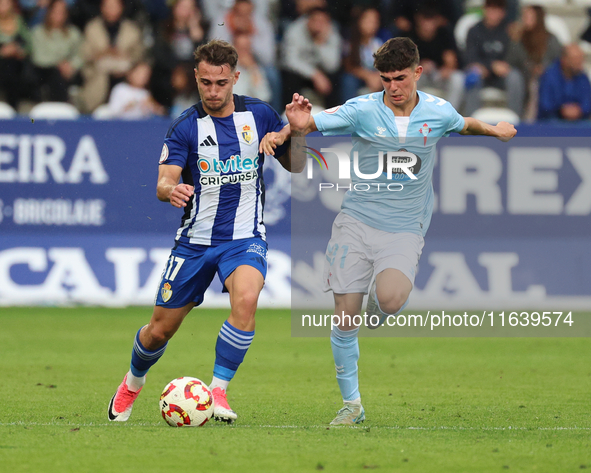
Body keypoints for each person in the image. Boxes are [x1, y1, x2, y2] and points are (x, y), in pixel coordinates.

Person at [261, 37, 516, 425]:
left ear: (417, 72)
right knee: (345, 318)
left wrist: (494, 130)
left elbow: (464, 125)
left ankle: (378, 306)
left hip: (404, 227)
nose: (393, 87)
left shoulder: (438, 110)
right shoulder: (362, 109)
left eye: (400, 78)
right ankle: (352, 406)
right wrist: (285, 133)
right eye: (385, 80)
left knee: (392, 299)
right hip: (355, 223)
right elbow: (308, 123)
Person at [107, 39, 299, 424]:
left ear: (235, 79)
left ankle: (218, 391)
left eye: (221, 83)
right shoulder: (185, 126)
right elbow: (164, 182)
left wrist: (296, 131)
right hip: (194, 243)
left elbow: (296, 165)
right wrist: (170, 190)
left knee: (246, 300)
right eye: (206, 82)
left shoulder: (259, 114)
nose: (213, 91)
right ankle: (132, 382)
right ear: (195, 77)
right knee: (159, 331)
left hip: (245, 238)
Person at [79, 0, 144, 113]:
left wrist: (123, 56)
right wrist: (103, 53)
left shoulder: (132, 29)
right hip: (98, 79)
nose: (111, 10)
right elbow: (85, 54)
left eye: (114, 6)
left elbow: (138, 55)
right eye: (107, 6)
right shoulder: (92, 28)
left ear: (121, 7)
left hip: (124, 78)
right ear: (101, 7)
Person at [463, 0, 525, 117]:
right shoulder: (474, 30)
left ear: (503, 13)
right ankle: (470, 122)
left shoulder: (509, 30)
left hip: (502, 76)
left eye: (497, 10)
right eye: (490, 9)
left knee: (515, 77)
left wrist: (516, 41)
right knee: (472, 76)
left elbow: (516, 60)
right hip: (482, 73)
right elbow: (470, 57)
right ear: (484, 10)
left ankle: (517, 119)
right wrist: (489, 66)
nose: (493, 14)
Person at [506, 4, 561, 121]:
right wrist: (515, 40)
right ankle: (517, 118)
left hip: (545, 77)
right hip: (524, 76)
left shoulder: (550, 38)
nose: (525, 19)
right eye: (524, 16)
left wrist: (543, 68)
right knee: (520, 79)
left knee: (541, 81)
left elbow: (557, 59)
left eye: (529, 17)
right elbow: (511, 61)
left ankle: (540, 118)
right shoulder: (519, 37)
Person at [281, 6, 342, 109]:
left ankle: (333, 117)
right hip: (301, 72)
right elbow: (290, 60)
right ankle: (288, 114)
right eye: (315, 20)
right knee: (290, 77)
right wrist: (314, 74)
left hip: (322, 73)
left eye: (322, 21)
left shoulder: (332, 33)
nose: (318, 25)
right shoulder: (294, 30)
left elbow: (333, 65)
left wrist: (320, 43)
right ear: (308, 20)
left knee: (336, 78)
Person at [30, 0, 82, 103]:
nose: (59, 15)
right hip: (45, 72)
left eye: (62, 12)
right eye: (55, 11)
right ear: (49, 13)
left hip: (70, 73)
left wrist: (71, 66)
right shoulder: (38, 32)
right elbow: (38, 58)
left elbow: (80, 55)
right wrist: (59, 64)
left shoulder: (74, 33)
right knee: (54, 74)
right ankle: (60, 105)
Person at [537, 43, 591, 121]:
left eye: (580, 58)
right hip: (552, 122)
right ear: (564, 60)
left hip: (578, 122)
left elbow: (587, 102)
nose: (579, 62)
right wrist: (562, 109)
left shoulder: (582, 77)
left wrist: (579, 110)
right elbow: (545, 104)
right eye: (575, 59)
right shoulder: (550, 76)